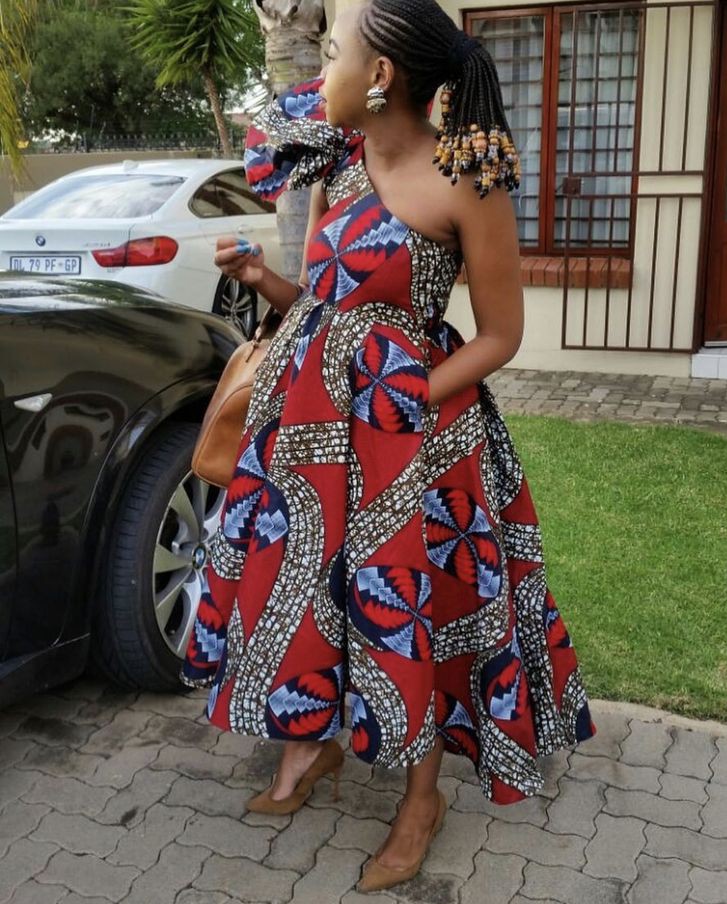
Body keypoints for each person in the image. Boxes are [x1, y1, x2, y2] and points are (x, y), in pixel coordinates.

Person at [181, 0, 597, 893]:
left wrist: (408, 396)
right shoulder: (341, 162)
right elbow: (325, 304)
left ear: (379, 76)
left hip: (414, 436)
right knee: (307, 583)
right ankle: (311, 743)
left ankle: (421, 797)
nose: (320, 71)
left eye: (333, 53)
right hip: (313, 426)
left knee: (417, 603)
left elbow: (501, 335)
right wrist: (263, 279)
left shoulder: (467, 180)